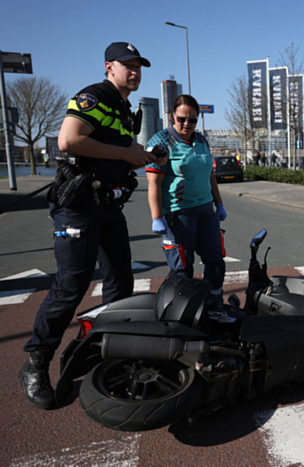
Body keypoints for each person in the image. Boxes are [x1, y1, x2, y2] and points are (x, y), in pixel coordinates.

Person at [18, 42, 157, 409]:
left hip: (107, 206)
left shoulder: (125, 108)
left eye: (139, 66)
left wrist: (141, 158)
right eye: (127, 65)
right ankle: (36, 362)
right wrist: (127, 152)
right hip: (79, 207)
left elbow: (113, 155)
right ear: (109, 67)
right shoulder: (95, 96)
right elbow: (69, 140)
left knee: (120, 281)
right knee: (72, 284)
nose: (135, 72)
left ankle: (107, 350)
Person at [146, 95, 227, 307]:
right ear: (172, 115)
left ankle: (214, 302)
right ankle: (181, 307)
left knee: (216, 261)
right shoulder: (161, 141)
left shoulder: (201, 140)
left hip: (206, 210)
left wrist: (219, 204)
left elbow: (210, 175)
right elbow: (154, 183)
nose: (186, 124)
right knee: (183, 267)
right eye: (181, 118)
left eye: (192, 120)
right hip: (179, 213)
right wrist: (157, 217)